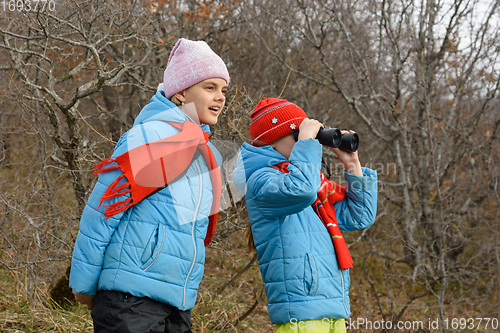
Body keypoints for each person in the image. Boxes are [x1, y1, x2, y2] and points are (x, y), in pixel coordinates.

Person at [69, 38, 230, 333]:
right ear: (180, 92)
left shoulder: (207, 153)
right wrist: (83, 284)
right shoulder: (151, 136)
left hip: (176, 302)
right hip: (130, 298)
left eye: (223, 90)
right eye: (209, 87)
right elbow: (103, 210)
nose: (220, 97)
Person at [232, 98, 378, 332]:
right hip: (301, 312)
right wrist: (307, 142)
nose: (310, 143)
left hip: (332, 307)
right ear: (275, 139)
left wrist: (352, 164)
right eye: (298, 135)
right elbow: (300, 190)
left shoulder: (314, 186)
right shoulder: (261, 180)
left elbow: (360, 216)